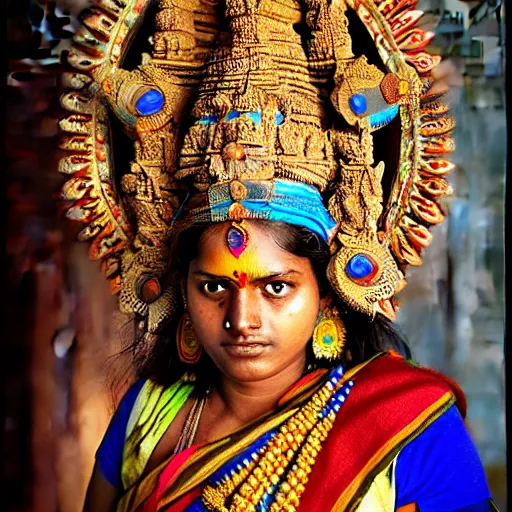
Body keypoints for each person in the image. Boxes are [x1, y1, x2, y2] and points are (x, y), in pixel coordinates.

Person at [57, 0, 497, 510]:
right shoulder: (145, 415)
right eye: (214, 287)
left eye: (277, 287)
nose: (241, 320)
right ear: (183, 288)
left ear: (328, 291)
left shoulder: (406, 426)